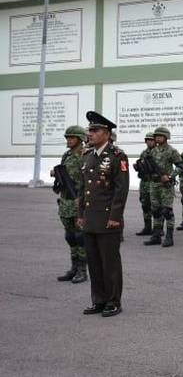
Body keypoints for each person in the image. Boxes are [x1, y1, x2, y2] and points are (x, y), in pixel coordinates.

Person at [78, 111, 129, 317]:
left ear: (107, 133)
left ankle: (113, 301)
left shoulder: (117, 157)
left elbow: (121, 190)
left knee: (110, 264)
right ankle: (98, 300)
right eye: (89, 130)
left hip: (108, 220)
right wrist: (81, 214)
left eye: (95, 130)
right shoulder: (88, 156)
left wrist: (115, 217)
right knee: (94, 263)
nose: (90, 133)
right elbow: (83, 189)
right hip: (90, 220)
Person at [52, 125, 88, 284]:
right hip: (66, 200)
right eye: (67, 137)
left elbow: (90, 179)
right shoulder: (66, 154)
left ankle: (82, 270)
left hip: (79, 200)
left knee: (80, 237)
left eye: (71, 137)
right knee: (70, 236)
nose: (68, 140)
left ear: (80, 139)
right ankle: (73, 268)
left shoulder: (85, 155)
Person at [144, 126, 182, 248]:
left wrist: (170, 176)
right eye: (156, 136)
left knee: (167, 211)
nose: (158, 138)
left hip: (165, 185)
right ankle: (156, 235)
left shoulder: (172, 151)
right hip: (153, 184)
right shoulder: (153, 151)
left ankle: (169, 237)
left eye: (160, 136)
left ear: (166, 137)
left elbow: (181, 166)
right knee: (155, 210)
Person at [133, 132, 155, 236]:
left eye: (151, 140)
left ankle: (157, 228)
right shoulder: (144, 153)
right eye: (148, 140)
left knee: (156, 206)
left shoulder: (158, 152)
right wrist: (138, 167)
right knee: (145, 205)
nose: (149, 142)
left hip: (154, 182)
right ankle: (147, 227)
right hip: (144, 182)